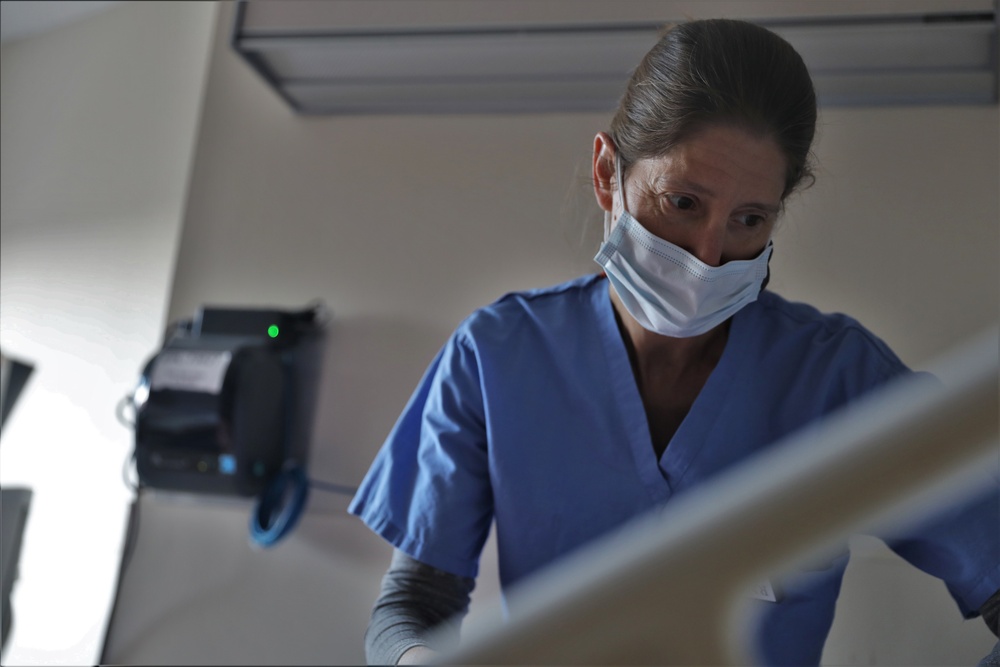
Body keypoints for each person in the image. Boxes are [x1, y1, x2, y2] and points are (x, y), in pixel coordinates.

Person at [348, 18, 1000, 665]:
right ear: (608, 174)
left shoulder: (836, 381)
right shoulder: (499, 358)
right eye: (683, 203)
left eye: (749, 219)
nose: (709, 255)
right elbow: (416, 601)